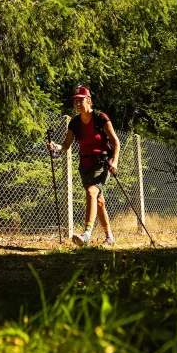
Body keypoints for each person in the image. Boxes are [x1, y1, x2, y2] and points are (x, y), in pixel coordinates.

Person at [47, 86, 120, 247]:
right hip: (85, 165)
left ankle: (86, 234)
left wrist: (114, 161)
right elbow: (66, 144)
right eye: (75, 101)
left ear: (88, 100)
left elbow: (115, 141)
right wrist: (56, 147)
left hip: (102, 163)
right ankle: (110, 238)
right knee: (98, 200)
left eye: (81, 100)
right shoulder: (74, 123)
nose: (77, 103)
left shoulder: (100, 118)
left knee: (91, 192)